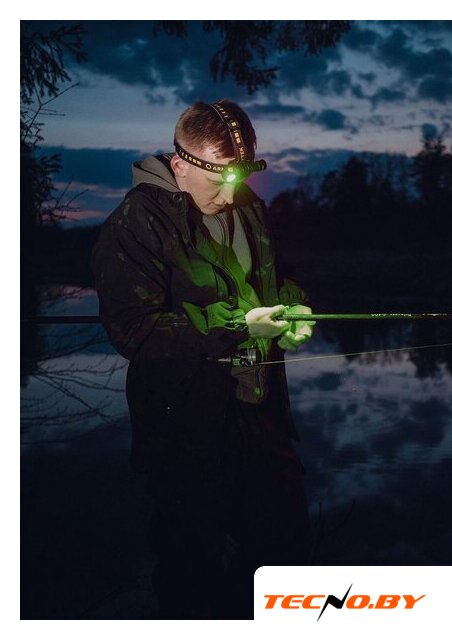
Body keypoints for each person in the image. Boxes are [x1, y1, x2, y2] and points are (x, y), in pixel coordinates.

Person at [91, 99, 315, 619]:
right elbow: (135, 332)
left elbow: (278, 277)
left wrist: (294, 307)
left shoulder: (249, 207)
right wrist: (236, 329)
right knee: (191, 565)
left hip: (259, 415)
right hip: (184, 429)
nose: (232, 195)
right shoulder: (135, 223)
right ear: (179, 165)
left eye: (240, 178)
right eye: (219, 180)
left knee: (284, 544)